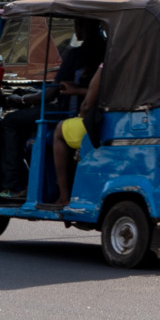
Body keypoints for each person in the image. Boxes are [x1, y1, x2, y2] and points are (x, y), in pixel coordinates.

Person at [50, 18, 107, 206]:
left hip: (100, 121)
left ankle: (64, 196)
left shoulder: (103, 62)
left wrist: (77, 96)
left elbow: (89, 102)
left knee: (60, 130)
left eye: (78, 24)